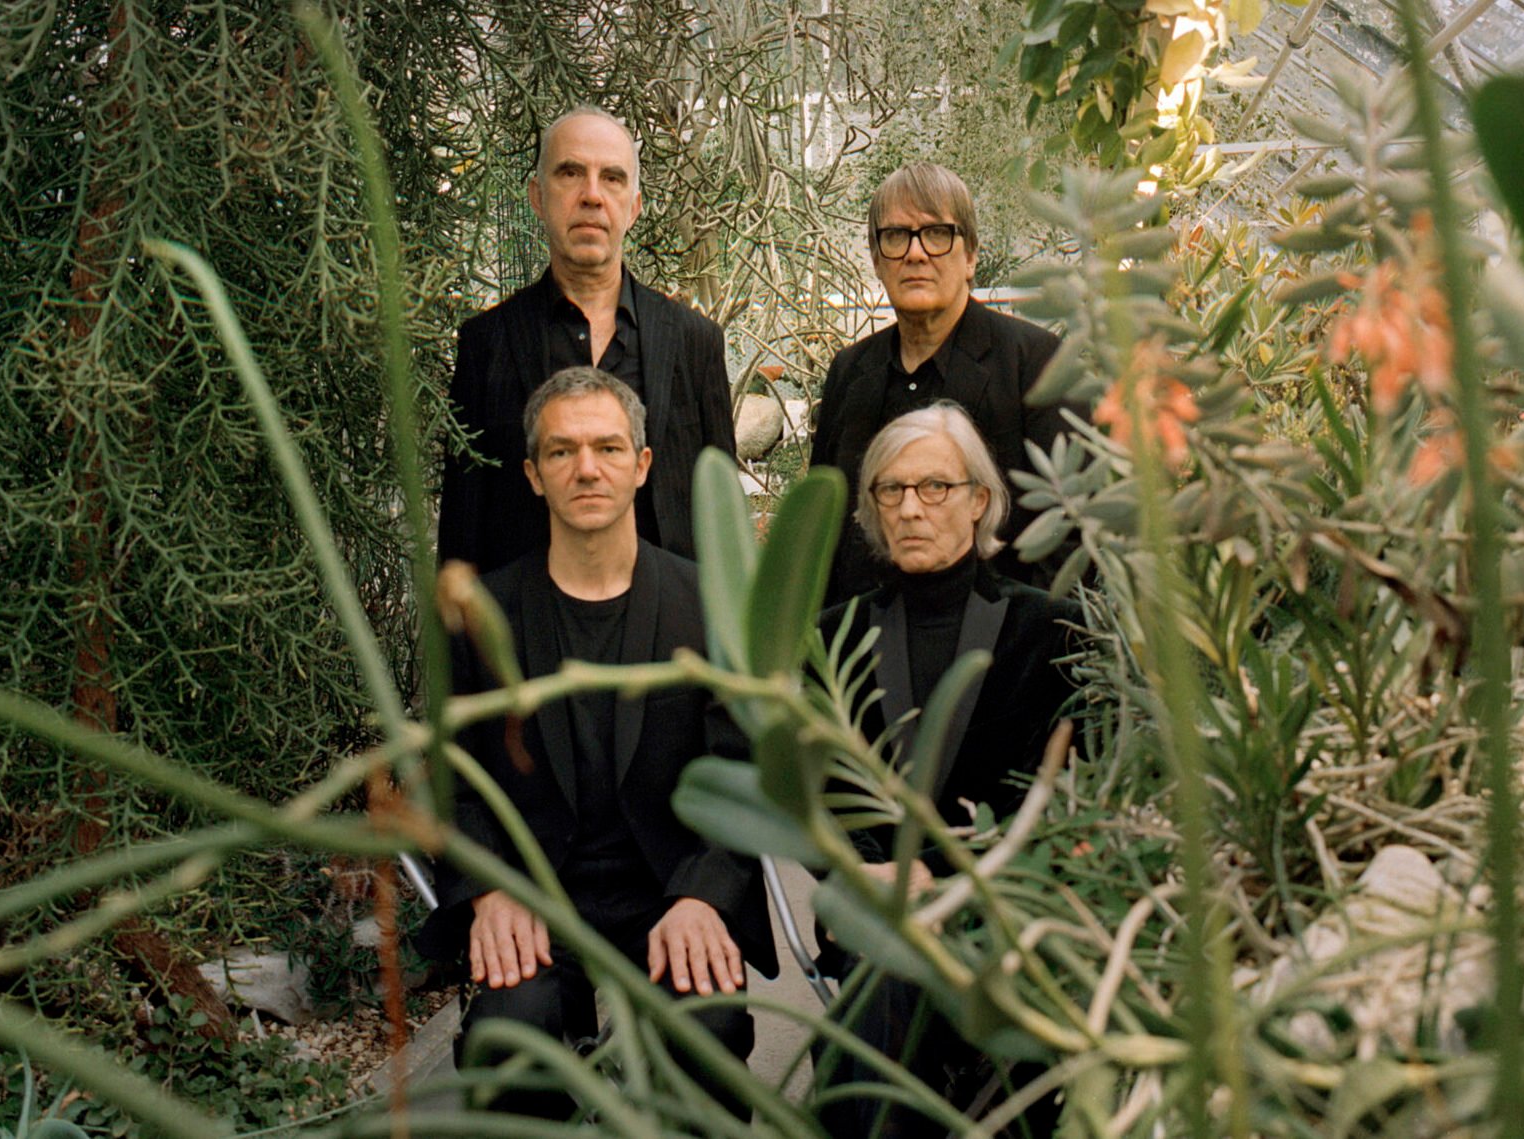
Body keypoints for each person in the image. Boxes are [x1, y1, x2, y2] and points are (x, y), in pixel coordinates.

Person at [416, 367, 774, 1116]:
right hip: (536, 901)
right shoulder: (483, 614)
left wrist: (707, 897)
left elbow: (747, 771)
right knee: (509, 1042)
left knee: (706, 1038)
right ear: (533, 475)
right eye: (562, 451)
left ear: (642, 466)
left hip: (671, 895)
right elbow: (452, 776)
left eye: (609, 447)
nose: (587, 468)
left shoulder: (710, 604)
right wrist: (488, 891)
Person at [815, 401, 1079, 1139]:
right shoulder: (832, 634)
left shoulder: (1047, 627)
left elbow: (1052, 791)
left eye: (934, 487)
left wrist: (944, 877)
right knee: (889, 970)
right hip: (874, 912)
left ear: (979, 500)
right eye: (890, 491)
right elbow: (822, 786)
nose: (910, 508)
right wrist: (863, 871)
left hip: (1005, 912)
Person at [439, 106, 735, 574]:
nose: (592, 196)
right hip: (530, 636)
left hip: (673, 636)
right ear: (538, 196)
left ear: (634, 207)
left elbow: (725, 525)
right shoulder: (487, 345)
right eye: (571, 173)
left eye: (612, 178)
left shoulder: (694, 343)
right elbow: (462, 532)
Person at [810, 162, 1066, 605]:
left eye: (936, 234)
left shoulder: (1034, 363)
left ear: (970, 256)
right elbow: (822, 533)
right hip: (865, 656)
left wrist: (1023, 640)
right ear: (875, 259)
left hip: (998, 650)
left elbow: (1068, 533)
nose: (915, 253)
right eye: (895, 236)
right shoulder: (850, 373)